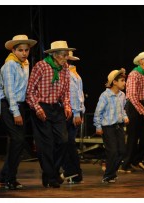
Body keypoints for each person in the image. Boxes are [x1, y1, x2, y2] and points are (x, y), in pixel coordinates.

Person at [26, 41, 73, 188]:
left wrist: (67, 105)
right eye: (64, 55)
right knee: (46, 145)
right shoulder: (41, 66)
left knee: (63, 140)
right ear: (54, 55)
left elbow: (66, 91)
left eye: (67, 55)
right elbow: (30, 91)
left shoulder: (65, 68)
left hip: (56, 108)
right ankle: (52, 178)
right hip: (41, 107)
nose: (66, 58)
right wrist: (37, 108)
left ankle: (50, 173)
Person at [0, 35, 37, 190]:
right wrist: (15, 112)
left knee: (18, 142)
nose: (24, 53)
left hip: (19, 105)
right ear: (13, 50)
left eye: (26, 50)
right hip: (8, 105)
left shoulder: (25, 64)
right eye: (20, 50)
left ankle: (5, 175)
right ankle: (10, 178)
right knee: (18, 140)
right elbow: (9, 91)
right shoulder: (9, 65)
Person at [120, 51, 144, 173]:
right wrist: (143, 111)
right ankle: (126, 164)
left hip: (143, 104)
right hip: (134, 106)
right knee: (133, 136)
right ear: (141, 61)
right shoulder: (134, 74)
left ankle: (136, 159)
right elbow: (132, 96)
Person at [94, 68, 129, 183]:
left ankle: (112, 173)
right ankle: (108, 175)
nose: (125, 83)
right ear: (114, 82)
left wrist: (125, 116)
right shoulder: (105, 96)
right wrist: (98, 126)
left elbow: (122, 109)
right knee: (113, 151)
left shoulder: (122, 95)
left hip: (118, 126)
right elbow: (98, 112)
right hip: (108, 127)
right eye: (122, 80)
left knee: (122, 151)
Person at [60, 51, 85, 184]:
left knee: (67, 142)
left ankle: (71, 171)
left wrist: (77, 112)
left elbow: (75, 94)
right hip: (74, 110)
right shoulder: (74, 73)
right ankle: (75, 173)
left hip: (71, 111)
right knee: (69, 143)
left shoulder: (69, 73)